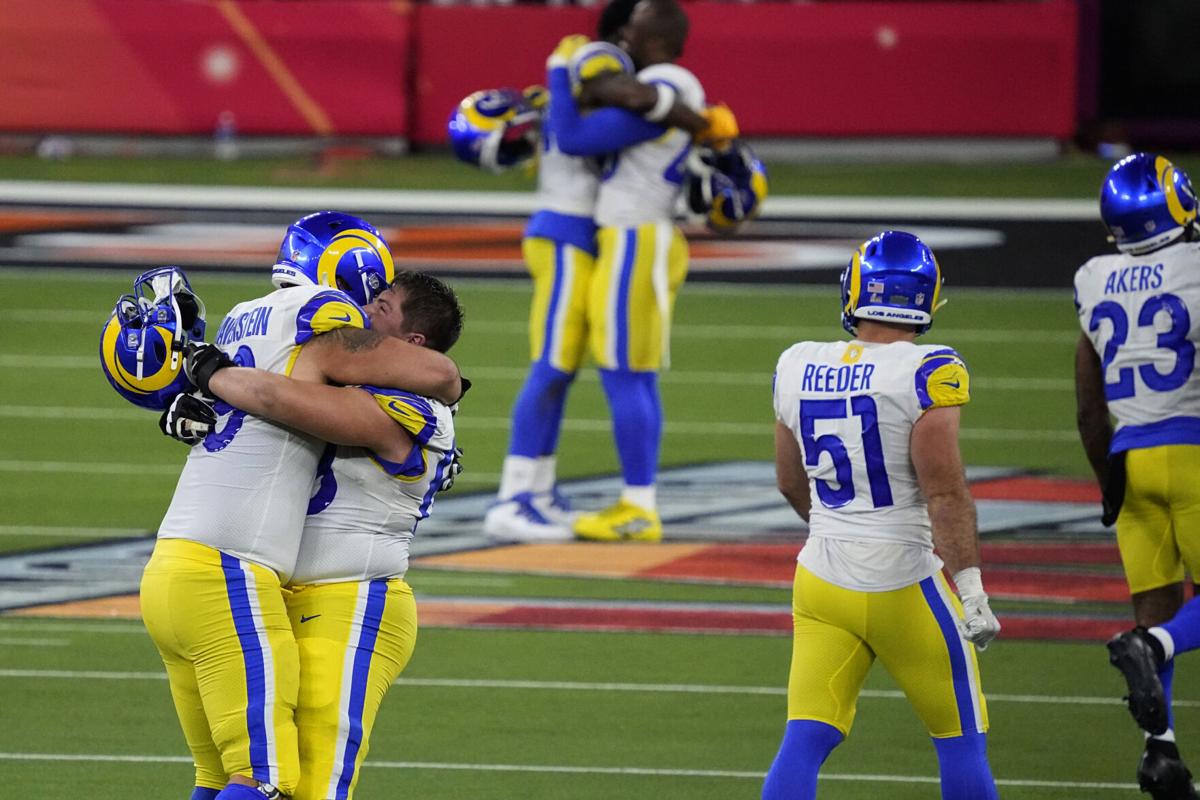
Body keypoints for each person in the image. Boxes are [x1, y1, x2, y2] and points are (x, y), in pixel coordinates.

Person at [131, 213, 462, 800]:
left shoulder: (421, 409)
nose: (365, 311)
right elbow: (283, 403)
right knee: (257, 778)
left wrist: (208, 376)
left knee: (300, 789)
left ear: (410, 341)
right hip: (255, 580)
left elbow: (278, 394)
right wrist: (198, 403)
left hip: (353, 596)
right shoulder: (325, 352)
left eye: (381, 309)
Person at [451, 0, 736, 541]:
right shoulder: (597, 69)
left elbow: (607, 115)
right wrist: (563, 76)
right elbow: (579, 130)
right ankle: (518, 494)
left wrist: (566, 82)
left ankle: (545, 491)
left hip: (607, 234)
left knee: (598, 367)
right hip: (569, 232)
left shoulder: (642, 81)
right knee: (557, 364)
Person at [764, 231, 1001, 800]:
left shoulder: (797, 363)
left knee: (805, 737)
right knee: (960, 740)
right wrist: (970, 588)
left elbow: (789, 480)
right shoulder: (928, 369)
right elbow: (945, 493)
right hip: (904, 580)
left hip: (820, 577)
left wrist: (839, 534)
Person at [546, 0, 713, 542]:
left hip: (637, 235)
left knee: (625, 373)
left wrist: (559, 73)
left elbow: (574, 138)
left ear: (654, 35)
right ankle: (637, 501)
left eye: (633, 27)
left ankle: (639, 506)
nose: (623, 36)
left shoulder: (667, 78)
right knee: (627, 371)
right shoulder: (665, 81)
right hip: (634, 235)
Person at [1075, 153, 1200, 799]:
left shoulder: (1094, 277)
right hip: (1193, 449)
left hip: (1129, 456)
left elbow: (1088, 404)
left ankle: (1163, 751)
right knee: (1164, 634)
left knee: (1155, 605)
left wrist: (1106, 479)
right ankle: (1152, 650)